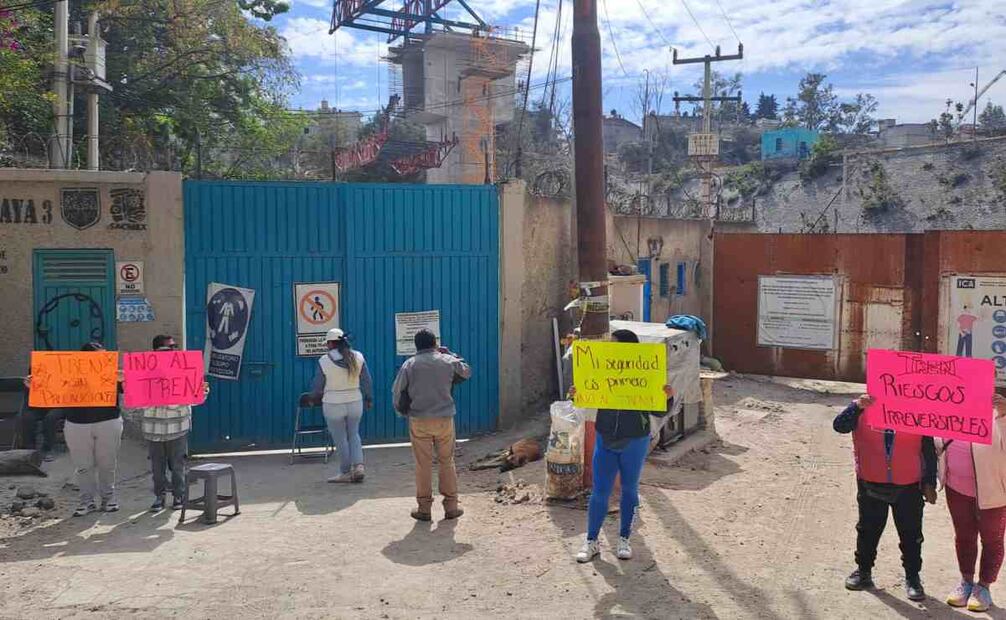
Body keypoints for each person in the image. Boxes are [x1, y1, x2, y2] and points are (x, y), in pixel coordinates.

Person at [575, 329, 674, 563]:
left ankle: (624, 538)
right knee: (600, 491)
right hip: (605, 436)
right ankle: (591, 541)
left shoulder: (646, 374)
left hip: (635, 439)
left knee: (629, 489)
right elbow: (587, 395)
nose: (609, 348)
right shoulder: (601, 370)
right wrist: (577, 393)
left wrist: (667, 397)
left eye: (614, 344)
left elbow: (659, 411)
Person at [834, 394, 938, 601]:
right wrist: (857, 406)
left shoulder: (918, 410)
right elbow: (839, 426)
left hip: (908, 484)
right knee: (867, 530)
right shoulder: (862, 407)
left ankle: (913, 578)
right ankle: (863, 572)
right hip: (871, 481)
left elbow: (928, 448)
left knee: (911, 534)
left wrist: (929, 482)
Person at [25, 342, 124, 517]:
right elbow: (51, 387)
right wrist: (34, 384)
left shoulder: (111, 373)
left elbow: (130, 391)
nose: (104, 360)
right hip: (77, 424)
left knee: (107, 464)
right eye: (99, 356)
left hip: (108, 422)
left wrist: (124, 380)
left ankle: (109, 499)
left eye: (105, 356)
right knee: (83, 466)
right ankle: (87, 502)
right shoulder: (68, 373)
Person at [392, 329, 471, 521]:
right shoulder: (447, 360)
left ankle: (424, 509)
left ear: (416, 345)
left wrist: (402, 411)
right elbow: (466, 372)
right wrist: (451, 353)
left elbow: (397, 392)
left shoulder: (409, 364)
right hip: (444, 419)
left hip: (419, 420)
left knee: (423, 464)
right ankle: (451, 506)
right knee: (447, 461)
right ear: (435, 343)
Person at [939, 394, 1006, 612]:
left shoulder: (999, 412)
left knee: (992, 539)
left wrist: (1004, 415)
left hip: (994, 492)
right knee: (964, 536)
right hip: (956, 487)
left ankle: (984, 586)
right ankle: (966, 581)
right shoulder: (948, 407)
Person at [141, 335, 209, 512]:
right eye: (167, 348)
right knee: (157, 468)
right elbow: (136, 403)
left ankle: (179, 495)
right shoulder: (143, 371)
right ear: (156, 351)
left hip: (178, 428)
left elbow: (195, 400)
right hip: (154, 429)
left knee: (178, 465)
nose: (172, 351)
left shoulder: (184, 369)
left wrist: (202, 391)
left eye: (174, 347)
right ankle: (159, 496)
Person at [310, 328, 373, 483]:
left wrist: (314, 397)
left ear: (331, 343)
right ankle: (358, 466)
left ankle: (345, 472)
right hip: (355, 401)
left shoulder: (324, 360)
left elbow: (318, 385)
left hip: (333, 404)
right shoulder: (358, 357)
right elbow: (366, 381)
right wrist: (369, 398)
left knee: (340, 439)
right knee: (354, 434)